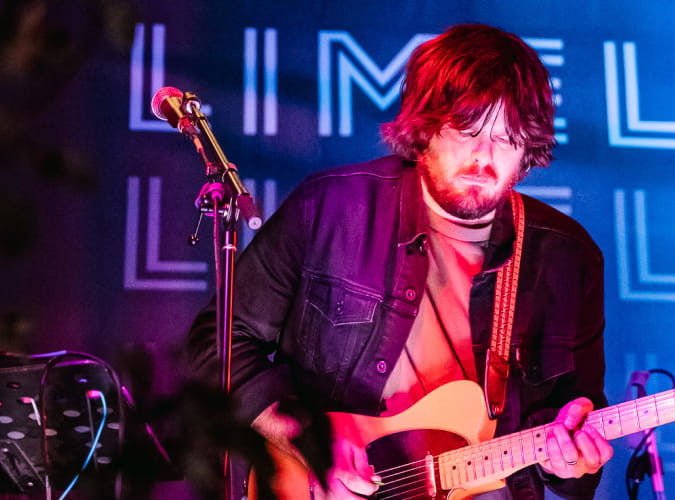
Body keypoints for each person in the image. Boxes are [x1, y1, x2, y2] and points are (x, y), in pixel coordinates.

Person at [188, 23, 612, 500]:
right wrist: (304, 434)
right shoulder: (330, 208)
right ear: (426, 127)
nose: (483, 157)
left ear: (528, 151)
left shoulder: (567, 256)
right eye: (466, 131)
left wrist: (572, 462)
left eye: (506, 139)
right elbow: (218, 344)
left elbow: (576, 432)